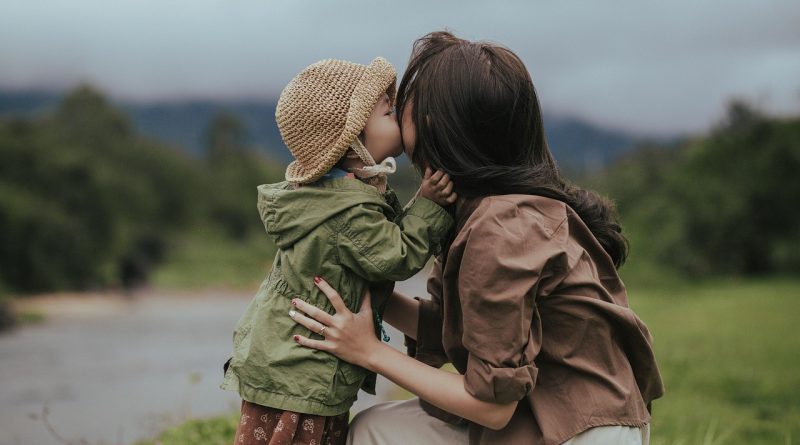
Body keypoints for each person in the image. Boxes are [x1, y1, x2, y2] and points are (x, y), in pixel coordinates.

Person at [288, 31, 665, 445]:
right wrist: (367, 287)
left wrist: (369, 351)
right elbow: (460, 328)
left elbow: (492, 405)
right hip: (548, 409)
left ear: (436, 124)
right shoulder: (485, 208)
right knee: (376, 429)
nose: (396, 115)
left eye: (403, 107)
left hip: (579, 428)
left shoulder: (503, 228)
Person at [220, 56, 457, 445]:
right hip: (302, 378)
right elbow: (396, 256)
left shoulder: (333, 196)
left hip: (291, 367)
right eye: (387, 112)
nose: (398, 119)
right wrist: (430, 204)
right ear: (353, 144)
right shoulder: (347, 210)